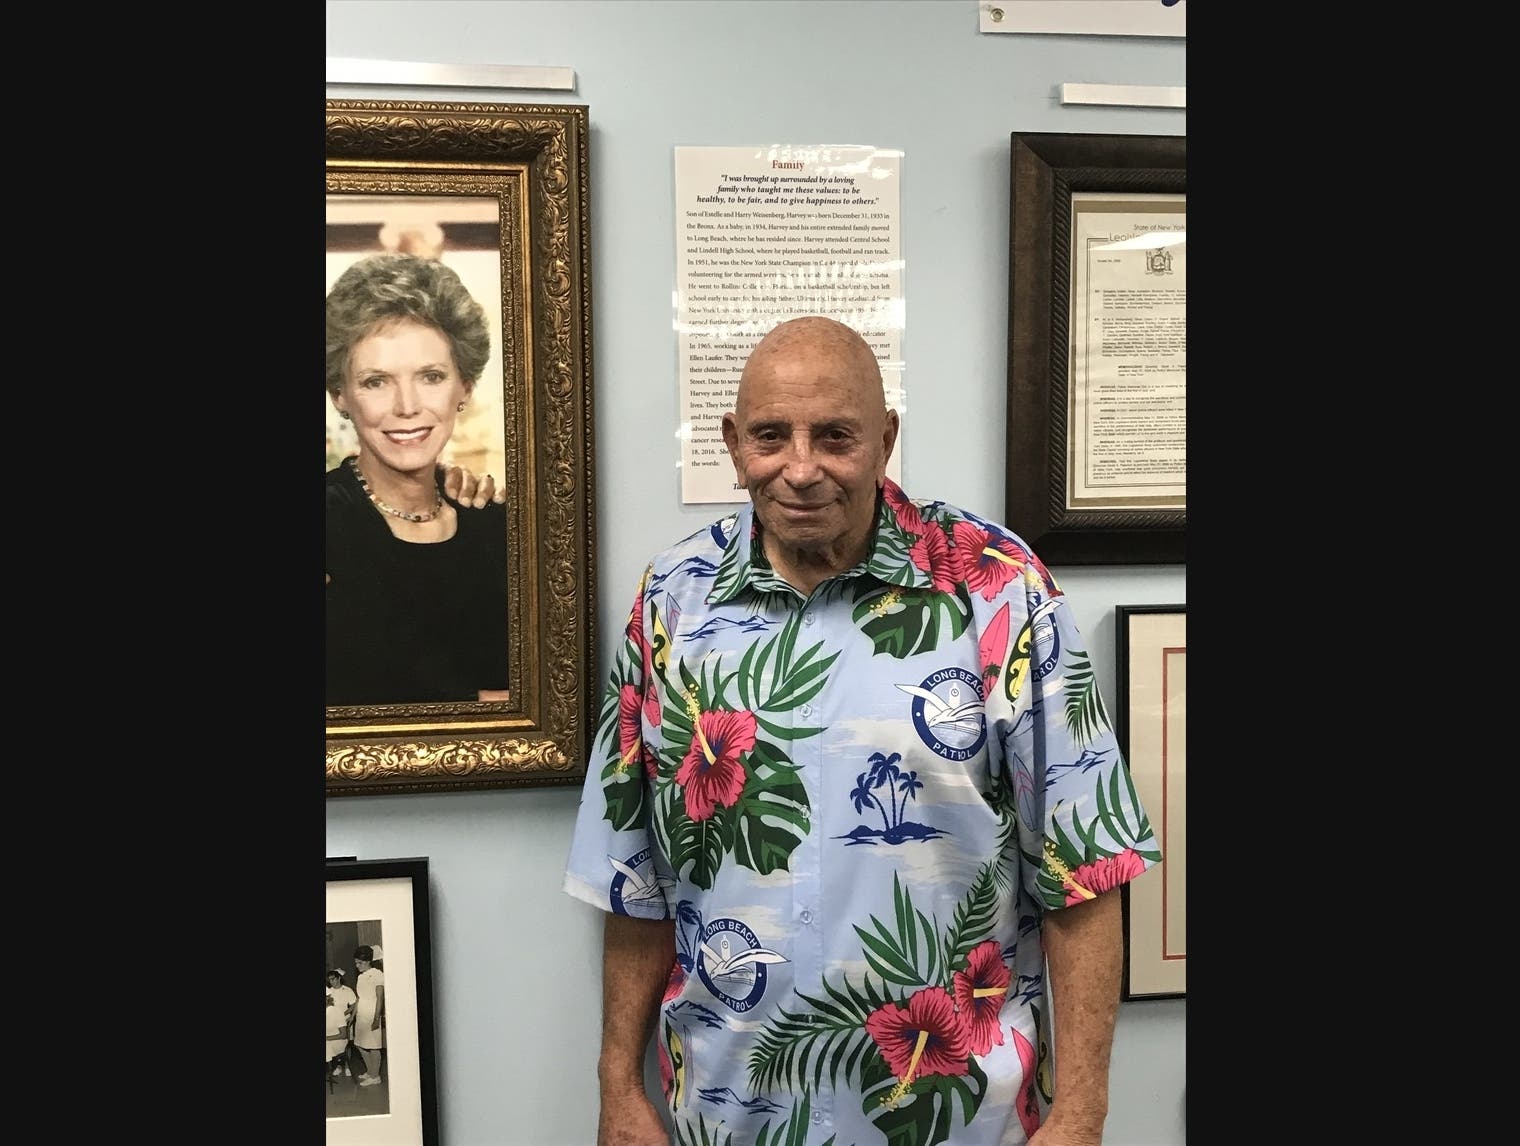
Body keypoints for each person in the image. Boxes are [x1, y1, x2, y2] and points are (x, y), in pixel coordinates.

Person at [563, 316, 1162, 1146]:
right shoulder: (671, 603)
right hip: (732, 1113)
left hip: (960, 1119)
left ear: (886, 439)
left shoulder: (996, 590)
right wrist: (616, 1085)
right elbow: (633, 876)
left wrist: (1084, 1109)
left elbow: (1085, 868)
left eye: (835, 437)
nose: (800, 469)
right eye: (772, 436)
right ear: (735, 444)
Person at [325, 251, 510, 706]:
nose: (407, 406)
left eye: (430, 376)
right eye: (376, 381)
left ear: (464, 386)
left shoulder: (499, 524)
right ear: (339, 395)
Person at [351, 944, 386, 1087]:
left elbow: (380, 998)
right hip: (361, 1014)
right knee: (359, 1044)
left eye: (359, 963)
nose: (357, 965)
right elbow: (359, 998)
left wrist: (376, 1018)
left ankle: (375, 1076)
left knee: (373, 1046)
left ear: (367, 961)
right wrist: (353, 1014)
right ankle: (370, 1071)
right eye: (356, 963)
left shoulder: (377, 974)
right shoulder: (361, 977)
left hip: (372, 1013)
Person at [326, 969, 358, 1077]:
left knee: (347, 1044)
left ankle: (347, 1066)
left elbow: (353, 1005)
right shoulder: (329, 992)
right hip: (333, 1022)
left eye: (333, 979)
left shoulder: (347, 990)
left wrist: (345, 1014)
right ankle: (339, 1066)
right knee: (335, 1044)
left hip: (345, 1020)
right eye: (330, 980)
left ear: (339, 978)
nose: (331, 982)